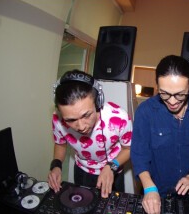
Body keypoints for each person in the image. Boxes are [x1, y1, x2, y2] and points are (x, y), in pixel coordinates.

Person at [131, 55, 189, 214]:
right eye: (164, 94)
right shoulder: (145, 111)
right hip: (153, 190)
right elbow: (139, 155)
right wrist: (149, 188)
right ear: (157, 86)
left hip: (187, 190)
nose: (172, 101)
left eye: (180, 94)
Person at [48, 70, 132, 198]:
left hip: (113, 169)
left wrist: (111, 167)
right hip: (82, 171)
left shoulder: (119, 117)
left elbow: (129, 149)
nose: (81, 127)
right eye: (70, 120)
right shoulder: (58, 119)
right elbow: (60, 144)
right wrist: (56, 165)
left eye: (86, 115)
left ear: (98, 102)